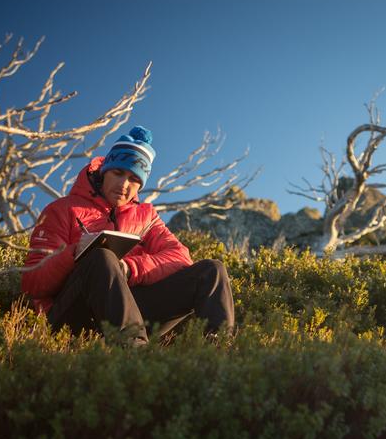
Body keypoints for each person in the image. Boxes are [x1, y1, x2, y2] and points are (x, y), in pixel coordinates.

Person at [21, 126, 234, 346]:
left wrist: (129, 269)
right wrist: (74, 253)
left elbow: (180, 257)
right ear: (104, 171)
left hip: (131, 310)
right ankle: (134, 356)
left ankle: (217, 357)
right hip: (72, 319)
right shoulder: (61, 210)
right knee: (101, 257)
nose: (124, 185)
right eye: (118, 173)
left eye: (134, 179)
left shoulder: (146, 217)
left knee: (211, 271)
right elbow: (32, 284)